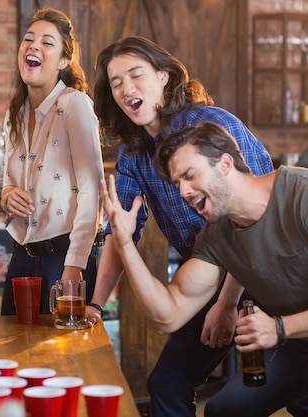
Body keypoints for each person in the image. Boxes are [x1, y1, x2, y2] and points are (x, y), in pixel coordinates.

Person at [90, 36, 274, 416]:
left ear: (164, 76)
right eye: (116, 82)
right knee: (167, 383)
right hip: (204, 276)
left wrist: (228, 302)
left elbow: (255, 222)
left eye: (135, 75)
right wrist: (94, 303)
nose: (126, 88)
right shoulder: (132, 152)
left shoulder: (212, 127)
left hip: (268, 272)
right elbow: (119, 233)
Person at [102, 121, 308, 417]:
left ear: (225, 163)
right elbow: (168, 315)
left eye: (189, 176)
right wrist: (124, 244)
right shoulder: (216, 235)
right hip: (296, 346)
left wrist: (279, 327)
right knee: (223, 410)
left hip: (288, 333)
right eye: (177, 184)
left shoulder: (300, 193)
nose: (184, 191)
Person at [0, 7, 103, 316]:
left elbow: (92, 193)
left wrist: (74, 266)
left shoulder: (75, 105)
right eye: (29, 39)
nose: (33, 46)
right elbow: (9, 179)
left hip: (65, 257)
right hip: (22, 256)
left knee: (64, 359)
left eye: (47, 42)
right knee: (12, 352)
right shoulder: (14, 114)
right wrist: (7, 196)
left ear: (63, 61)